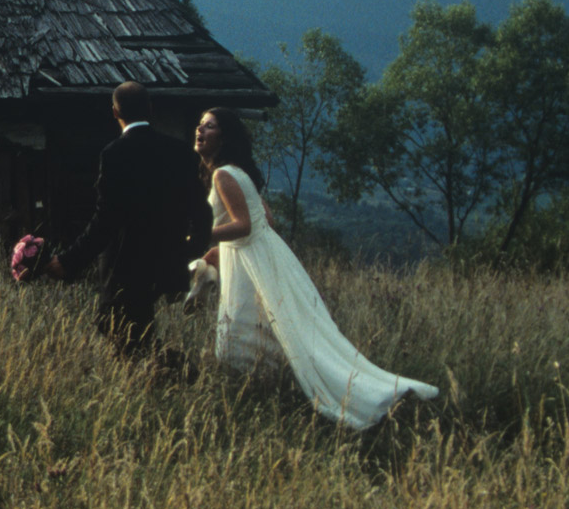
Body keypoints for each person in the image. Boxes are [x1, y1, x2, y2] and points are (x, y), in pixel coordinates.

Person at [194, 106, 439, 429]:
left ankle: (268, 403)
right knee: (270, 329)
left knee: (237, 339)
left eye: (209, 126)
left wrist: (200, 235)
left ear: (224, 137)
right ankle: (274, 391)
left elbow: (245, 225)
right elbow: (267, 220)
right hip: (263, 256)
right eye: (200, 125)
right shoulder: (239, 172)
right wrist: (220, 250)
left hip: (251, 261)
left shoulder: (223, 174)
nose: (200, 130)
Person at [32, 81, 213, 362]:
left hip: (126, 267)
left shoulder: (114, 154)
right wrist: (188, 250)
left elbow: (105, 220)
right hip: (168, 263)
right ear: (150, 108)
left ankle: (181, 370)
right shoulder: (180, 152)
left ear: (115, 112)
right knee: (132, 338)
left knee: (124, 338)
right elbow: (203, 213)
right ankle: (170, 371)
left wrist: (68, 261)